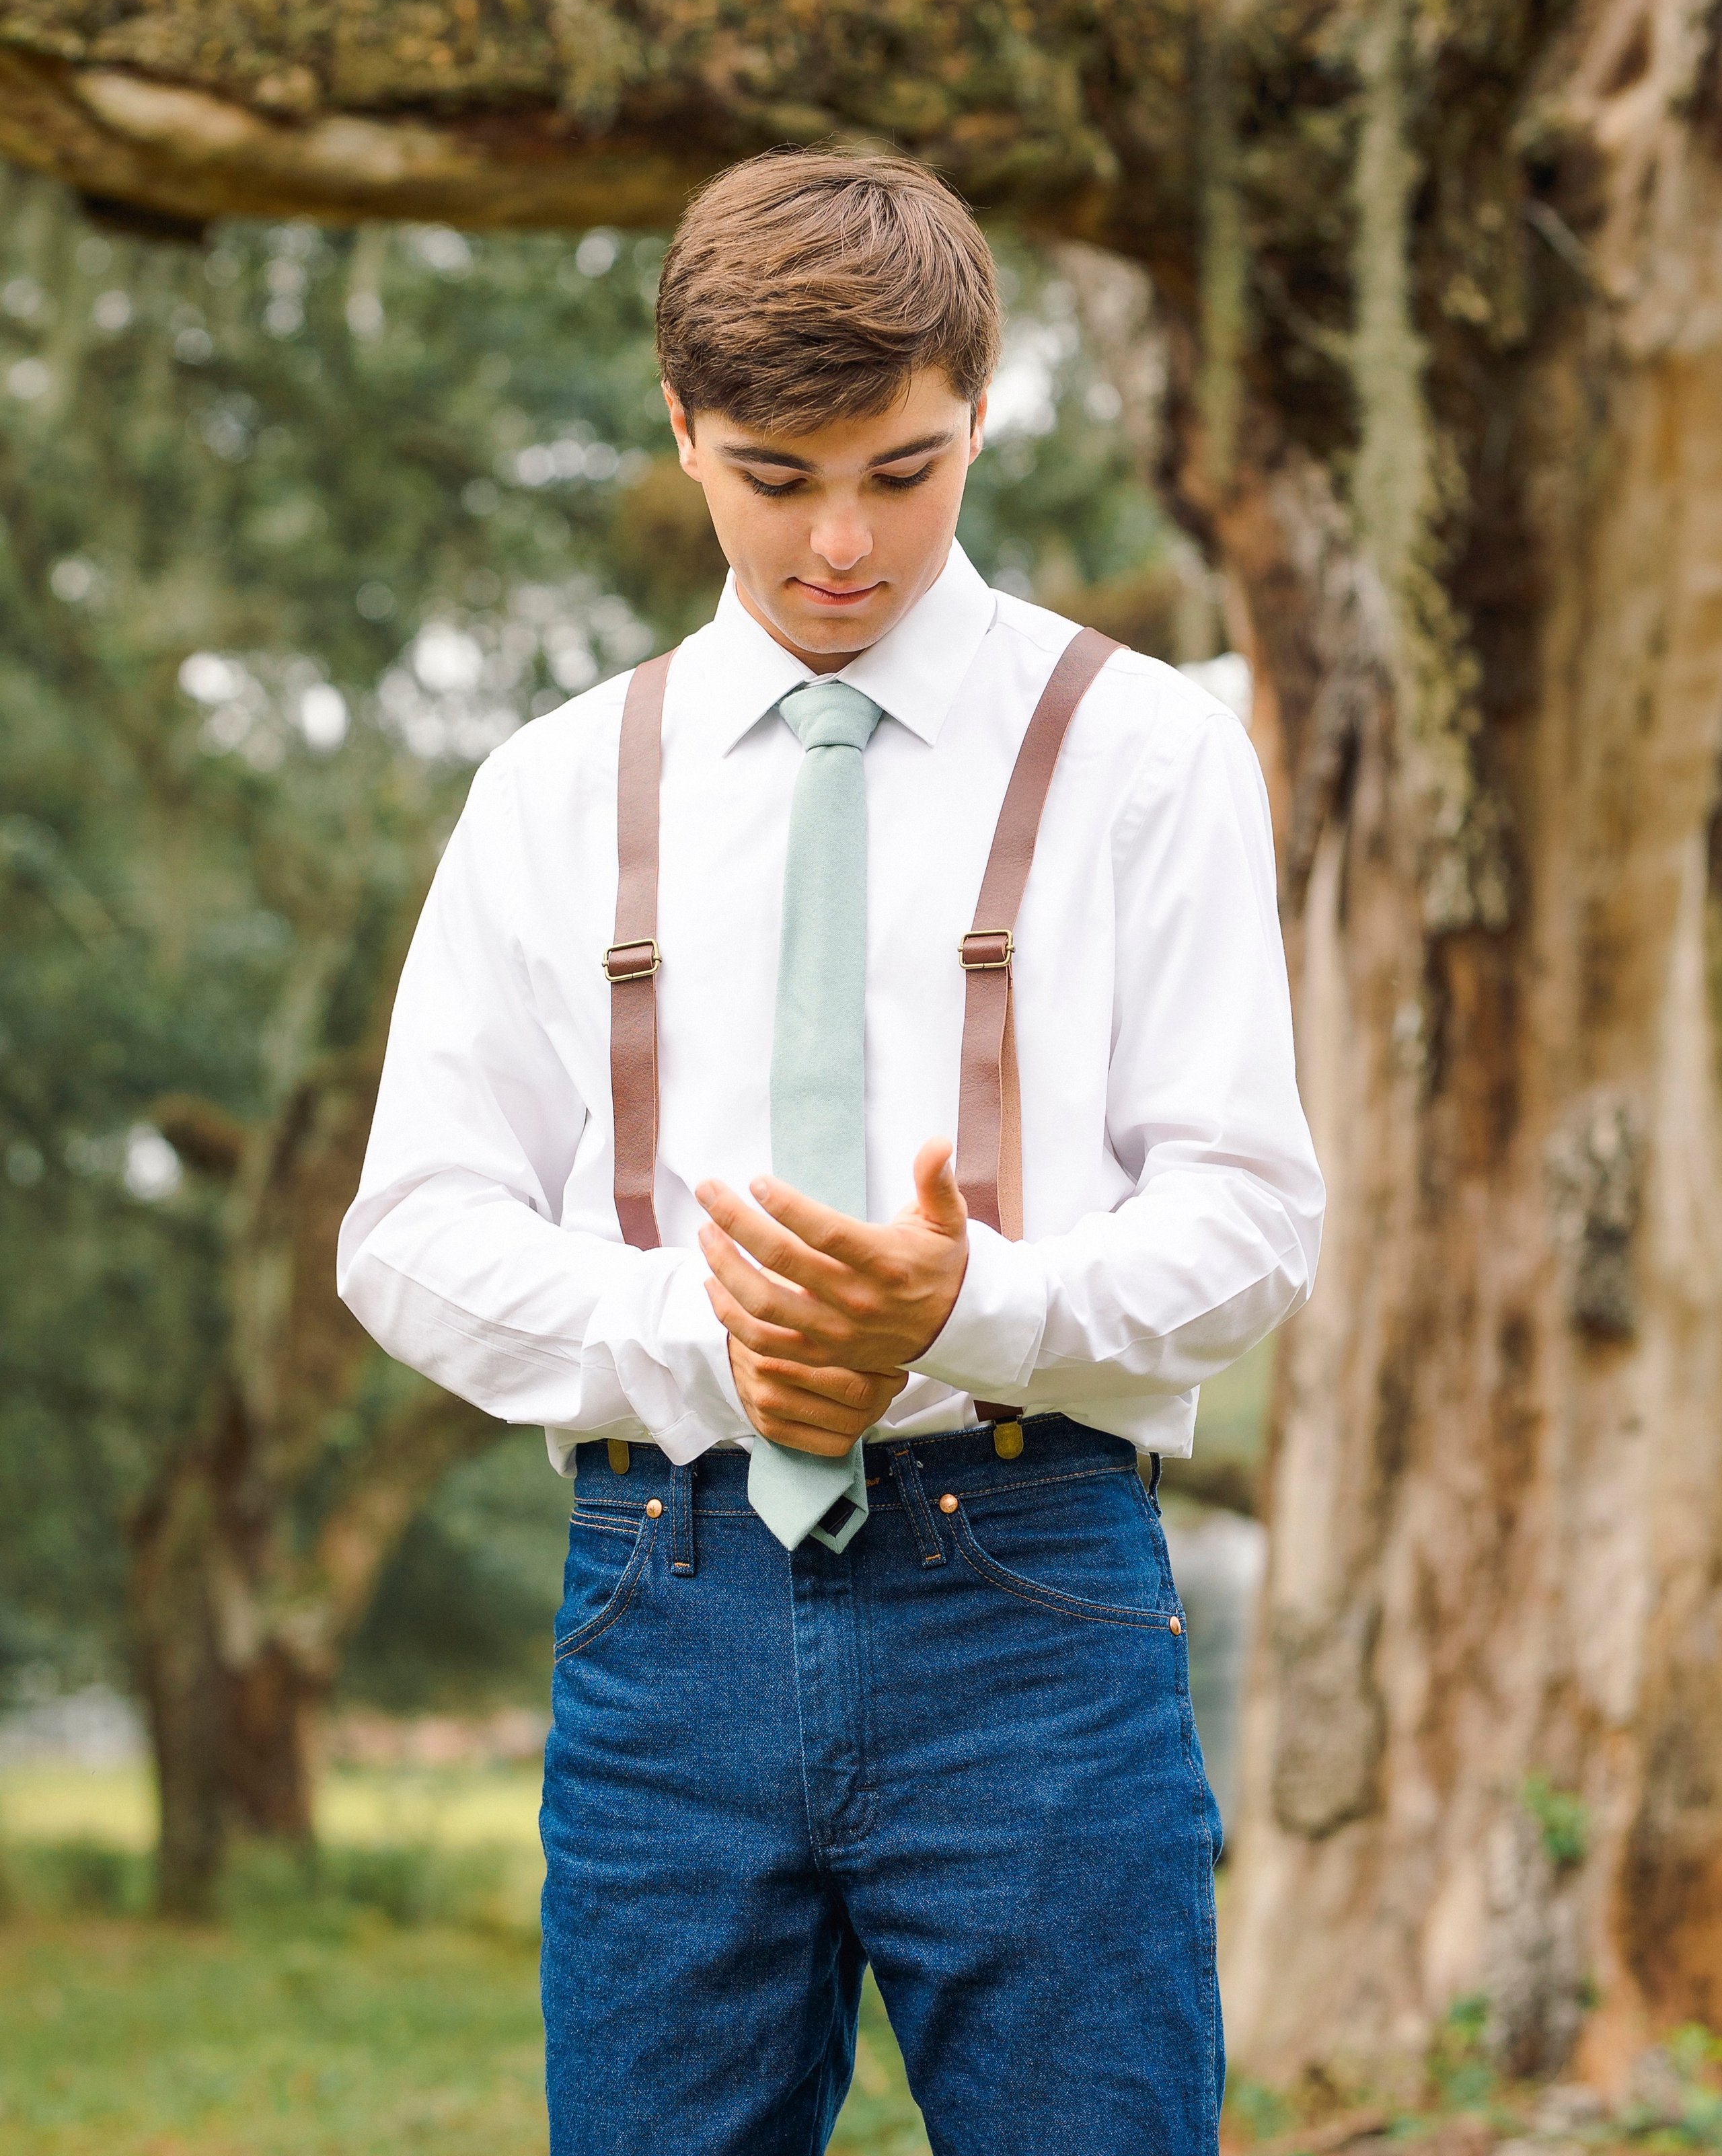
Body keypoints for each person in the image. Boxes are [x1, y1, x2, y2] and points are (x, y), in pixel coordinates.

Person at [336, 148, 1324, 2156]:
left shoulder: (1145, 754)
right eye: (777, 479)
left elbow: (1250, 1216)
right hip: (663, 1602)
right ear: (683, 427)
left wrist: (973, 1303)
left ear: (982, 402)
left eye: (906, 467)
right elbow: (411, 1228)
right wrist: (714, 1339)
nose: (847, 545)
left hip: (1033, 1600)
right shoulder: (550, 789)